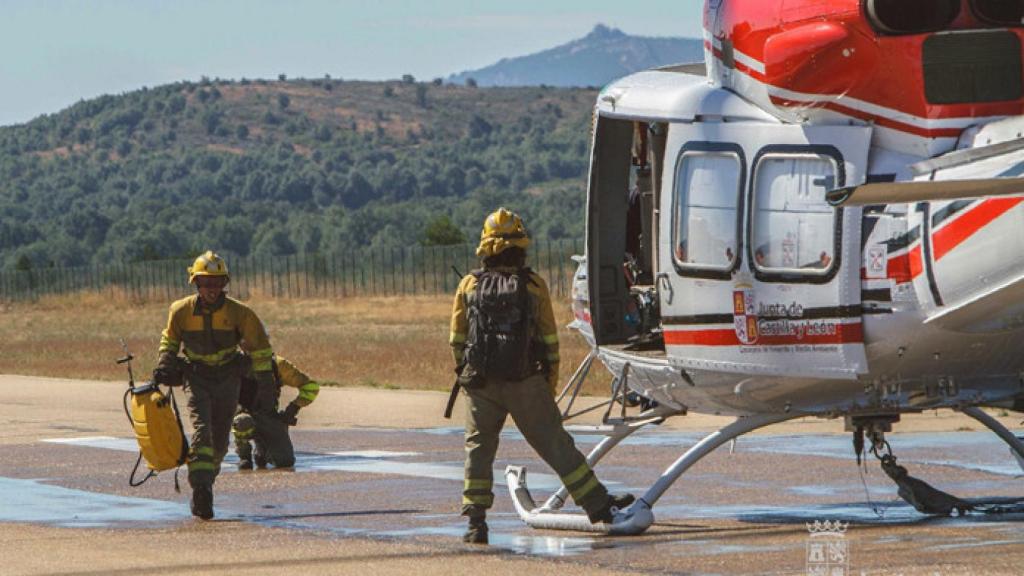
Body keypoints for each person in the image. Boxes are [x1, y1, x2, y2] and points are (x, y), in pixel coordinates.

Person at [449, 208, 633, 545]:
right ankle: (599, 507)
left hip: (481, 386)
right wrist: (545, 387)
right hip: (526, 383)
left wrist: (469, 378)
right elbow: (550, 343)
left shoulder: (468, 285)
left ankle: (476, 523)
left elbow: (457, 341)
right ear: (521, 246)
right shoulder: (533, 286)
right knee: (557, 446)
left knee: (478, 449)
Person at [152, 250, 276, 520]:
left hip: (228, 379)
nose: (212, 288)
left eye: (217, 282)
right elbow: (170, 340)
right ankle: (201, 489)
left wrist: (266, 384)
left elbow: (261, 349)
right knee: (202, 432)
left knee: (219, 443)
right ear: (196, 283)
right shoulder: (180, 311)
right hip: (196, 378)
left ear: (224, 284)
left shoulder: (240, 313)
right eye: (206, 282)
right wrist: (164, 362)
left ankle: (207, 476)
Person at [232, 354, 320, 470]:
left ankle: (262, 450)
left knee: (285, 461)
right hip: (240, 417)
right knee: (243, 421)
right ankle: (244, 456)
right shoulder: (231, 363)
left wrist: (292, 409)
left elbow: (310, 387)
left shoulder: (278, 364)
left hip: (269, 417)